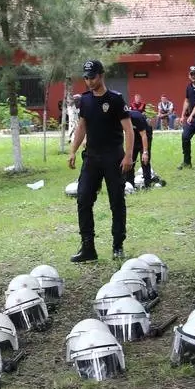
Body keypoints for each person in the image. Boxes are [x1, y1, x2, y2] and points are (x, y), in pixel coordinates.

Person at [68, 59, 133, 262]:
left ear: (101, 75)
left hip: (113, 156)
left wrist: (129, 155)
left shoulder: (115, 99)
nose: (88, 81)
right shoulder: (85, 100)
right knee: (83, 198)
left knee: (116, 201)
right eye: (86, 78)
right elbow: (81, 127)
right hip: (92, 157)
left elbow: (129, 130)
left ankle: (118, 245)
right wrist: (72, 151)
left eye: (92, 77)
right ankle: (88, 248)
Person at [178, 65, 195, 169]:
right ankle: (187, 162)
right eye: (191, 74)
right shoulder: (189, 87)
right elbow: (187, 100)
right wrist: (182, 115)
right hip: (191, 119)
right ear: (189, 75)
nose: (193, 76)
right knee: (185, 137)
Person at [125, 99, 154, 190]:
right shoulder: (122, 119)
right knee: (130, 159)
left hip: (144, 135)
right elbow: (126, 134)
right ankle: (130, 184)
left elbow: (143, 135)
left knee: (144, 160)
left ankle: (147, 184)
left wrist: (145, 152)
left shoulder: (136, 117)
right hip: (133, 136)